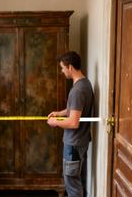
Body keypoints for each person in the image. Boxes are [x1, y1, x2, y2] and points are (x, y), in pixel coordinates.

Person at [47, 51, 94, 197]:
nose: (62, 71)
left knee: (72, 183)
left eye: (62, 68)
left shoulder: (77, 90)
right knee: (76, 180)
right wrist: (59, 114)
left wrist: (55, 122)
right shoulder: (85, 83)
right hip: (81, 140)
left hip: (74, 143)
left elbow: (74, 122)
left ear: (70, 67)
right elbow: (74, 109)